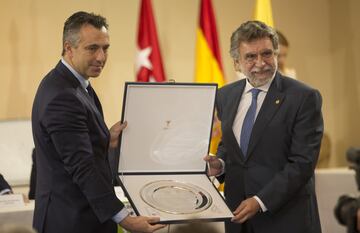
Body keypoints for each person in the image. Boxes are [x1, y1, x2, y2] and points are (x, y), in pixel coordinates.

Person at [31, 11, 165, 233]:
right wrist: (127, 220)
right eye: (92, 48)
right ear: (68, 48)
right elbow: (82, 167)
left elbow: (75, 146)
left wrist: (106, 139)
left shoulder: (75, 84)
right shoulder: (63, 95)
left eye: (105, 48)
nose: (101, 57)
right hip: (71, 222)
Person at [204, 20, 323, 233]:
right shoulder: (224, 96)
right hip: (238, 218)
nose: (261, 63)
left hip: (286, 219)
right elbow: (232, 146)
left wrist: (260, 201)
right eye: (250, 56)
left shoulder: (304, 97)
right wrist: (220, 163)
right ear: (236, 63)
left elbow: (302, 163)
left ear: (276, 54)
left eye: (267, 54)